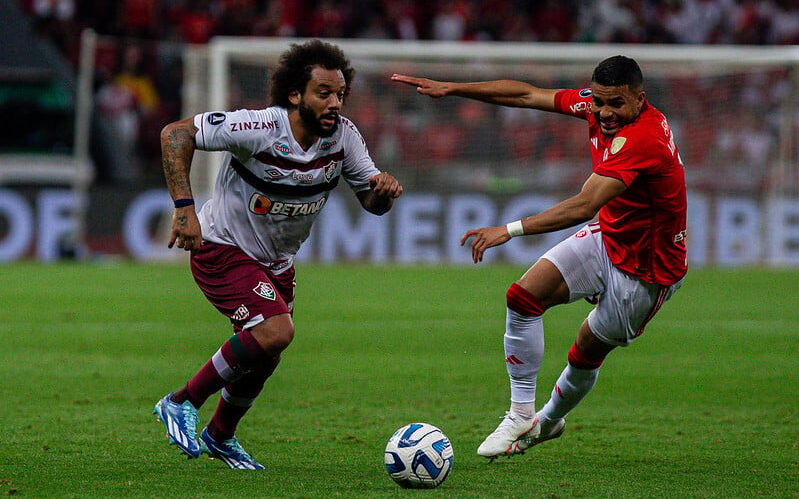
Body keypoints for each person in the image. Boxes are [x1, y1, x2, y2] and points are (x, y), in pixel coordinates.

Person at [392, 55, 686, 460]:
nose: (604, 112)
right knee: (524, 297)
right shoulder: (598, 106)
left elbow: (584, 205)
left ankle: (547, 422)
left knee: (585, 351)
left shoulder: (644, 138)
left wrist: (507, 230)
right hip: (611, 235)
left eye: (615, 104)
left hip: (646, 271)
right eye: (598, 101)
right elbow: (527, 93)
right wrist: (453, 87)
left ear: (639, 100)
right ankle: (519, 414)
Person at [154, 40, 403, 470]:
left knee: (267, 353)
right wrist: (183, 209)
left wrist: (383, 193)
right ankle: (180, 401)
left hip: (277, 262)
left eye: (340, 94)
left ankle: (220, 435)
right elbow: (175, 134)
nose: (335, 103)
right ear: (295, 95)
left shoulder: (344, 138)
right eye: (323, 93)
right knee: (275, 332)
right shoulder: (259, 128)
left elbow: (371, 203)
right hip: (222, 247)